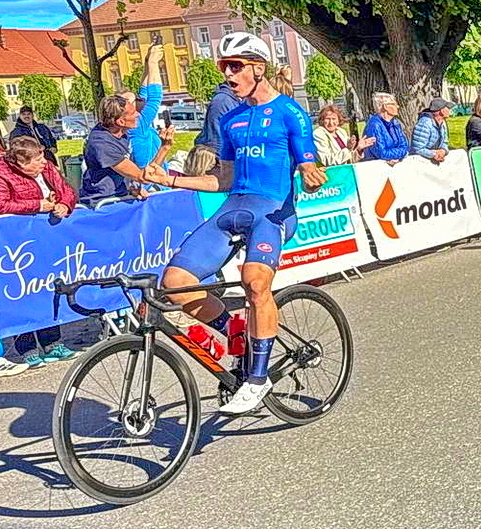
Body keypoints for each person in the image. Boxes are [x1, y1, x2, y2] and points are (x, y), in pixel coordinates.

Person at [143, 32, 327, 415]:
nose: (228, 73)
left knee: (254, 281)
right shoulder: (230, 120)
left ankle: (257, 380)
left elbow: (307, 160)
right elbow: (223, 181)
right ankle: (235, 331)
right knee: (174, 284)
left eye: (235, 65)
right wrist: (170, 180)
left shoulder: (290, 112)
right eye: (223, 66)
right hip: (234, 207)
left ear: (258, 68)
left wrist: (310, 171)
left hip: (273, 211)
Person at [0, 136, 78, 372]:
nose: (43, 163)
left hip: (45, 237)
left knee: (49, 286)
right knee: (21, 289)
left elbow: (66, 189)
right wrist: (38, 205)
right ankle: (26, 346)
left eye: (42, 156)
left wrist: (65, 204)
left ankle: (52, 340)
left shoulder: (47, 166)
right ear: (20, 162)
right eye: (36, 160)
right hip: (14, 242)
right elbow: (0, 204)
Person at [79, 94, 174, 207]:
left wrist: (130, 187)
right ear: (120, 122)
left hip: (119, 195)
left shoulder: (119, 132)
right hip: (103, 204)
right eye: (133, 113)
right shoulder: (103, 144)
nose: (138, 115)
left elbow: (137, 175)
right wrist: (164, 148)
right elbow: (144, 177)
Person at [127, 43, 165, 169]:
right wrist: (154, 63)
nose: (140, 99)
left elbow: (143, 94)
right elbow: (154, 97)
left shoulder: (130, 124)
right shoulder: (136, 125)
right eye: (136, 100)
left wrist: (147, 62)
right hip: (151, 185)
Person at [362, 92, 409, 164]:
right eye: (394, 104)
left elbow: (404, 146)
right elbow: (381, 153)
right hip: (376, 169)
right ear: (385, 107)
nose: (398, 106)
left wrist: (396, 157)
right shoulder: (374, 125)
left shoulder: (395, 123)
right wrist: (398, 154)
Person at [410, 96, 453, 163]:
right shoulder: (424, 123)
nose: (449, 110)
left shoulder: (443, 123)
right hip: (419, 161)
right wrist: (433, 154)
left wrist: (443, 150)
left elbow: (445, 142)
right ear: (442, 111)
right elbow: (417, 148)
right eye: (448, 108)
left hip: (434, 159)